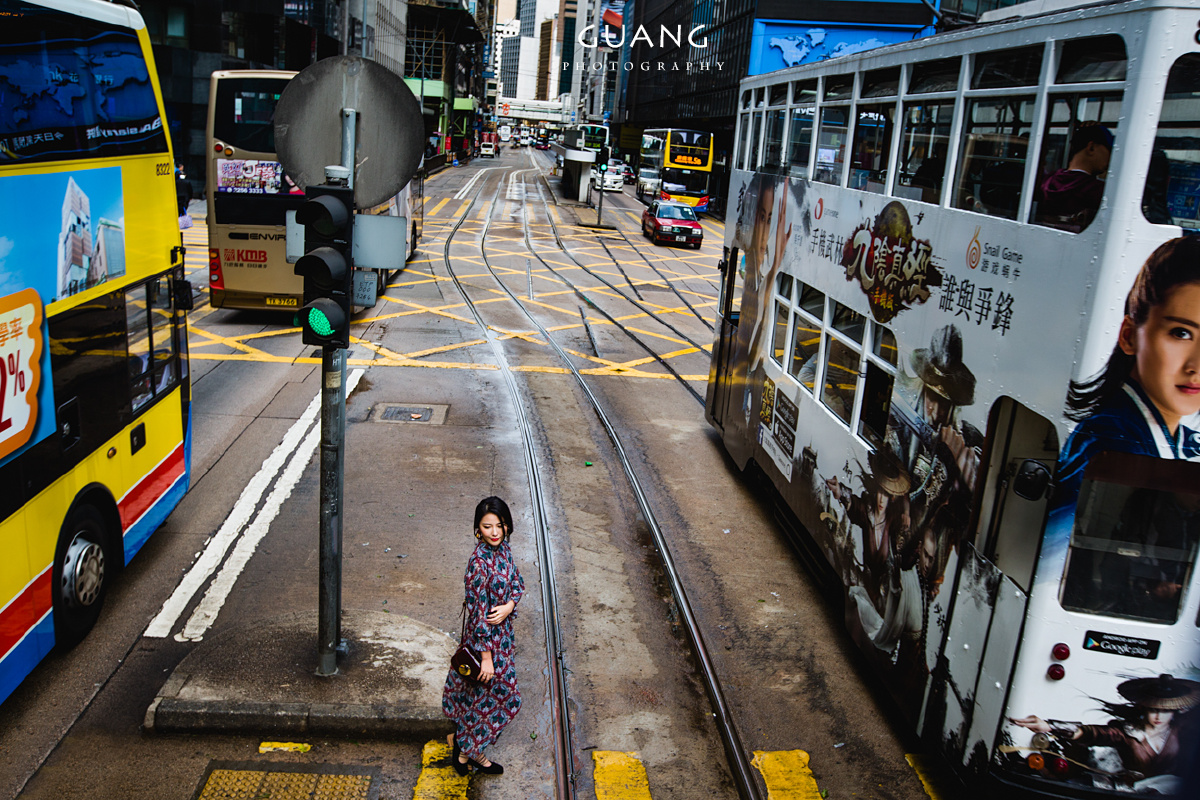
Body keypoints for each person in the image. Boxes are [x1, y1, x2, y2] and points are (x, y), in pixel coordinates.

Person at [1057, 236, 1200, 509]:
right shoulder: (1114, 445)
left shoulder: (1179, 441)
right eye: (1181, 333)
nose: (1196, 365)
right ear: (1129, 336)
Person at [442, 496, 525, 776]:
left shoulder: (505, 551)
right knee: (503, 696)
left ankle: (465, 751)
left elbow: (517, 583)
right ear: (478, 529)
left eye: (499, 525)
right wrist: (486, 657)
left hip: (503, 638)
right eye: (487, 527)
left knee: (480, 696)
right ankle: (469, 750)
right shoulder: (478, 563)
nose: (494, 532)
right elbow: (478, 614)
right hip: (484, 643)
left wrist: (509, 606)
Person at [1011, 674, 1200, 792]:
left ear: (1175, 711)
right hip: (1129, 792)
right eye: (1153, 709)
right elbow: (1093, 733)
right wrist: (1050, 726)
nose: (1159, 716)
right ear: (1143, 708)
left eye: (1165, 711)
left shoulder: (1183, 731)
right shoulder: (1127, 732)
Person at [1034, 123, 1114, 228]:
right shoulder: (1097, 190)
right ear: (1091, 148)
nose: (1111, 158)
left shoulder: (1048, 180)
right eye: (1109, 150)